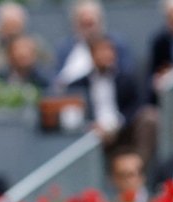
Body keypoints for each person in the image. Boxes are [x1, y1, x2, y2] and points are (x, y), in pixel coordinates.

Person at [67, 34, 158, 168]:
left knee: (150, 117)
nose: (107, 55)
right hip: (93, 136)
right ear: (92, 54)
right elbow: (74, 115)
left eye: (110, 50)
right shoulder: (78, 86)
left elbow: (138, 104)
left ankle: (137, 168)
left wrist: (118, 122)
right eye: (102, 51)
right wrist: (91, 126)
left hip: (123, 130)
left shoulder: (127, 79)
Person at [53, 0, 134, 92]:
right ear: (75, 25)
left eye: (91, 24)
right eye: (84, 24)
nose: (89, 30)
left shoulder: (117, 44)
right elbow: (58, 80)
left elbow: (127, 77)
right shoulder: (65, 48)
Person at [0, 2, 52, 80]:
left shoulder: (35, 45)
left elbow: (49, 68)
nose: (13, 33)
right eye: (9, 28)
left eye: (16, 28)